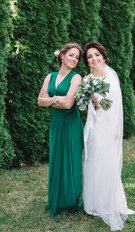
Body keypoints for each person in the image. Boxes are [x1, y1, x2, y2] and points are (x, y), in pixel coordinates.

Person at [82, 42, 135, 231]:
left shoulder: (112, 75)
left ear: (103, 57)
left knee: (111, 163)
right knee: (97, 161)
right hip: (97, 127)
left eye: (97, 55)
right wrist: (94, 103)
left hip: (112, 126)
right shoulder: (86, 80)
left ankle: (111, 201)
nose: (94, 59)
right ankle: (94, 203)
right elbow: (89, 108)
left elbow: (118, 103)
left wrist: (119, 128)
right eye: (89, 56)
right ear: (87, 61)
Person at [38, 42, 83, 215]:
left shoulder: (76, 78)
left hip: (71, 123)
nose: (74, 59)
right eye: (71, 55)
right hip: (56, 122)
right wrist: (57, 99)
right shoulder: (50, 76)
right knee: (57, 158)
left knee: (71, 160)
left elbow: (68, 104)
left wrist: (50, 99)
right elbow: (40, 101)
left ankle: (72, 200)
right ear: (62, 56)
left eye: (77, 57)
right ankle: (55, 200)